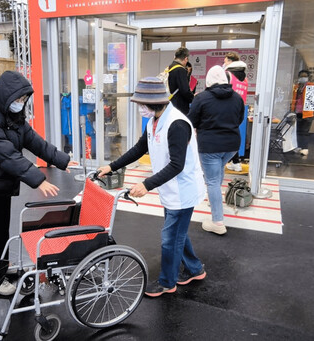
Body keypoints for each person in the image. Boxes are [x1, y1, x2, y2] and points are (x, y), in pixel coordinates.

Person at [0, 71, 77, 295]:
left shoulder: (15, 118)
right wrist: (38, 179)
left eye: (23, 99)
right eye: (17, 99)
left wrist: (62, 160)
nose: (20, 103)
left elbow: (36, 143)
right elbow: (5, 154)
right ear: (5, 97)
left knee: (0, 231)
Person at [97, 77, 206, 298]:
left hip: (183, 190)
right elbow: (139, 148)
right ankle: (195, 269)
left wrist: (146, 185)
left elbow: (177, 164)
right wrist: (112, 166)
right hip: (171, 189)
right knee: (177, 234)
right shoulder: (155, 121)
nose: (139, 108)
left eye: (140, 104)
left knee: (170, 237)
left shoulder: (177, 124)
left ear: (151, 103)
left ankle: (167, 283)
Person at [188, 65, 245, 235]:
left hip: (210, 146)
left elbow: (191, 121)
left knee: (212, 181)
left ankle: (218, 222)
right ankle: (215, 201)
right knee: (218, 171)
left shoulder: (201, 98)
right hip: (232, 146)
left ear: (209, 79)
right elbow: (240, 119)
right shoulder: (237, 98)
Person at [223, 53, 249, 172]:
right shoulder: (245, 78)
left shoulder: (228, 74)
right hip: (240, 108)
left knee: (226, 135)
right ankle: (235, 161)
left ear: (230, 61)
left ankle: (235, 161)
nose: (224, 62)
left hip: (228, 107)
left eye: (226, 60)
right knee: (232, 134)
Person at [290, 69, 314, 156]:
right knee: (297, 130)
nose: (303, 78)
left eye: (305, 76)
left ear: (308, 77)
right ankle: (298, 146)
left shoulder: (311, 86)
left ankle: (305, 148)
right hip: (297, 111)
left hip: (307, 113)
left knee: (305, 131)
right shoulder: (297, 87)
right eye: (301, 76)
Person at [168, 47, 194, 114]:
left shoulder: (170, 67)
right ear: (186, 59)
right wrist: (193, 98)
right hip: (179, 107)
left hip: (170, 103)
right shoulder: (180, 70)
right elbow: (185, 90)